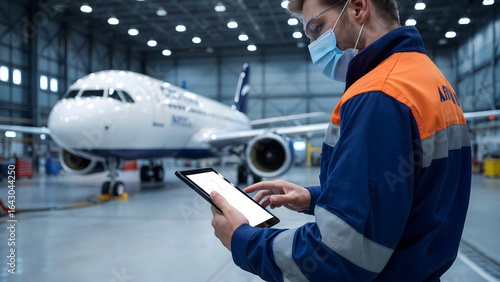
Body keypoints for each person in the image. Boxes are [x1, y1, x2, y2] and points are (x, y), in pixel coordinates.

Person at [210, 0, 472, 280]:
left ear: (358, 8)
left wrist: (242, 240)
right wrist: (315, 198)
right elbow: (400, 193)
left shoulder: (378, 96)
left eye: (318, 28)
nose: (315, 46)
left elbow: (335, 258)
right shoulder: (427, 77)